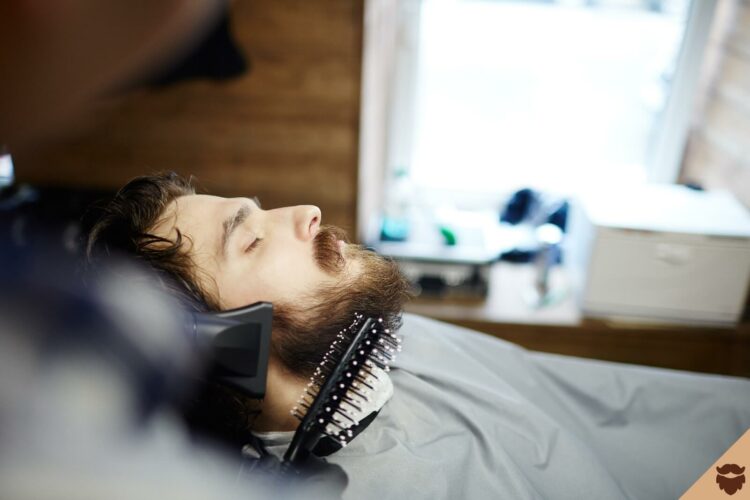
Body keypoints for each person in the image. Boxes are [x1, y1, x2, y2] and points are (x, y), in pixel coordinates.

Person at [85, 171, 412, 440]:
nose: (309, 211)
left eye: (263, 212)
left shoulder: (382, 327)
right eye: (252, 240)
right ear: (217, 340)